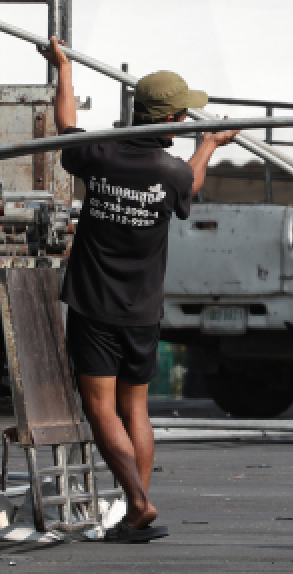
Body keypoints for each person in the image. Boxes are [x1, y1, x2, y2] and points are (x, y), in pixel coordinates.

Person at [41, 38, 237, 542]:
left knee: (101, 408)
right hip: (143, 310)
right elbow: (190, 187)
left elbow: (65, 125)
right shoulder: (170, 172)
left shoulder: (97, 152)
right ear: (170, 121)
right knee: (136, 408)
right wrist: (209, 146)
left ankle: (140, 502)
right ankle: (135, 510)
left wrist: (63, 69)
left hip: (93, 304)